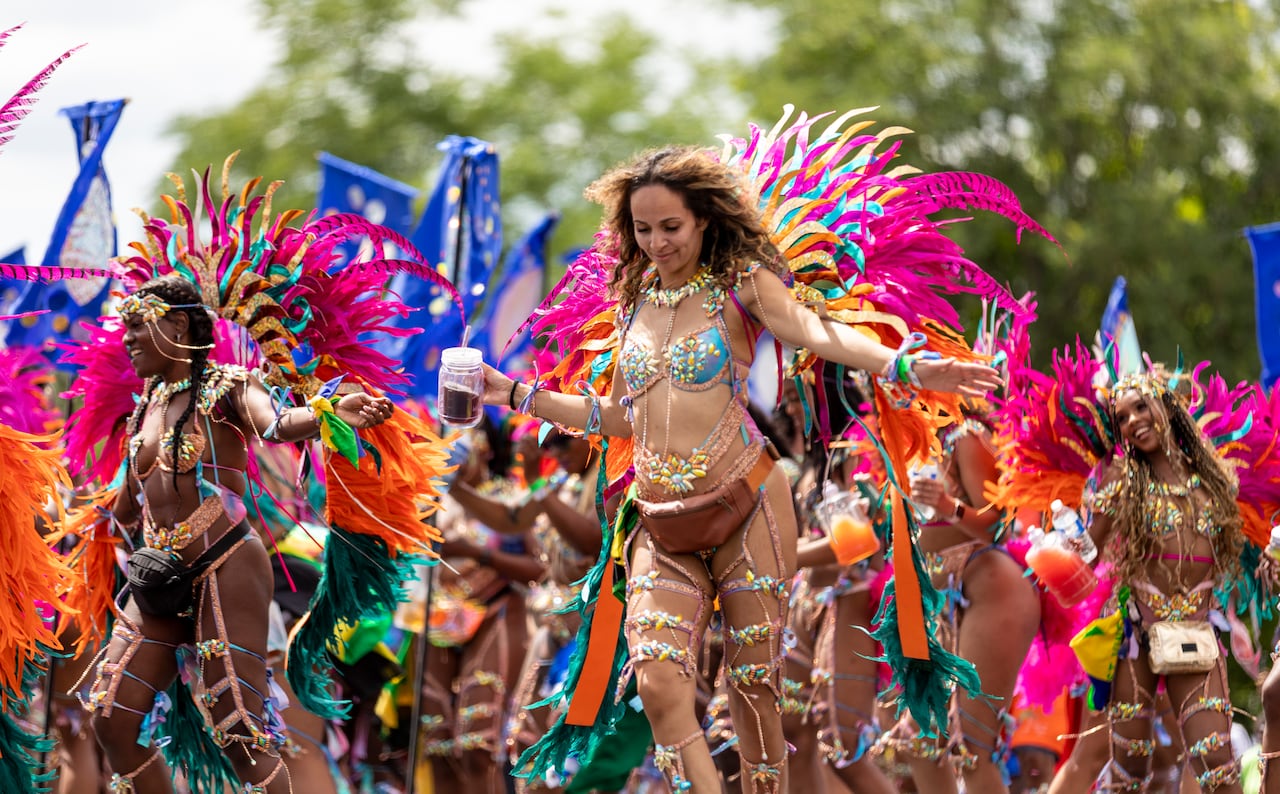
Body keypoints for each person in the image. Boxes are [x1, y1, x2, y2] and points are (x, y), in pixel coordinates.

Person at [478, 144, 1001, 793]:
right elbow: (623, 418)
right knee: (659, 683)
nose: (658, 241)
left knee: (754, 696)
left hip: (746, 508)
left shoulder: (743, 285)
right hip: (659, 520)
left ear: (703, 219)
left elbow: (815, 332)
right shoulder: (633, 303)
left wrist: (907, 365)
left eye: (671, 226)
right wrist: (514, 394)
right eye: (643, 229)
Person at [81, 275, 395, 794]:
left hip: (226, 565)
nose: (127, 340)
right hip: (159, 577)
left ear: (178, 323)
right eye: (126, 329)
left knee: (239, 733)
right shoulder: (146, 407)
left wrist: (328, 413)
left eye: (138, 326)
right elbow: (122, 509)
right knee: (112, 717)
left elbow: (276, 424)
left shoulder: (227, 387)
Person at [1081, 372, 1248, 793]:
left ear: (1167, 408)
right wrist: (1065, 535)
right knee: (1130, 772)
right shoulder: (1122, 481)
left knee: (1216, 762)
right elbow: (1085, 555)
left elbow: (1244, 550)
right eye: (1121, 418)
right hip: (1138, 639)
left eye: (1141, 407)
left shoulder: (1215, 480)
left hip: (1195, 636)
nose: (1133, 421)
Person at [879, 404, 1040, 793]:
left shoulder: (965, 435)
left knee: (968, 746)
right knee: (919, 740)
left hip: (989, 589)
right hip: (937, 599)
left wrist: (947, 506)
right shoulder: (911, 441)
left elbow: (999, 525)